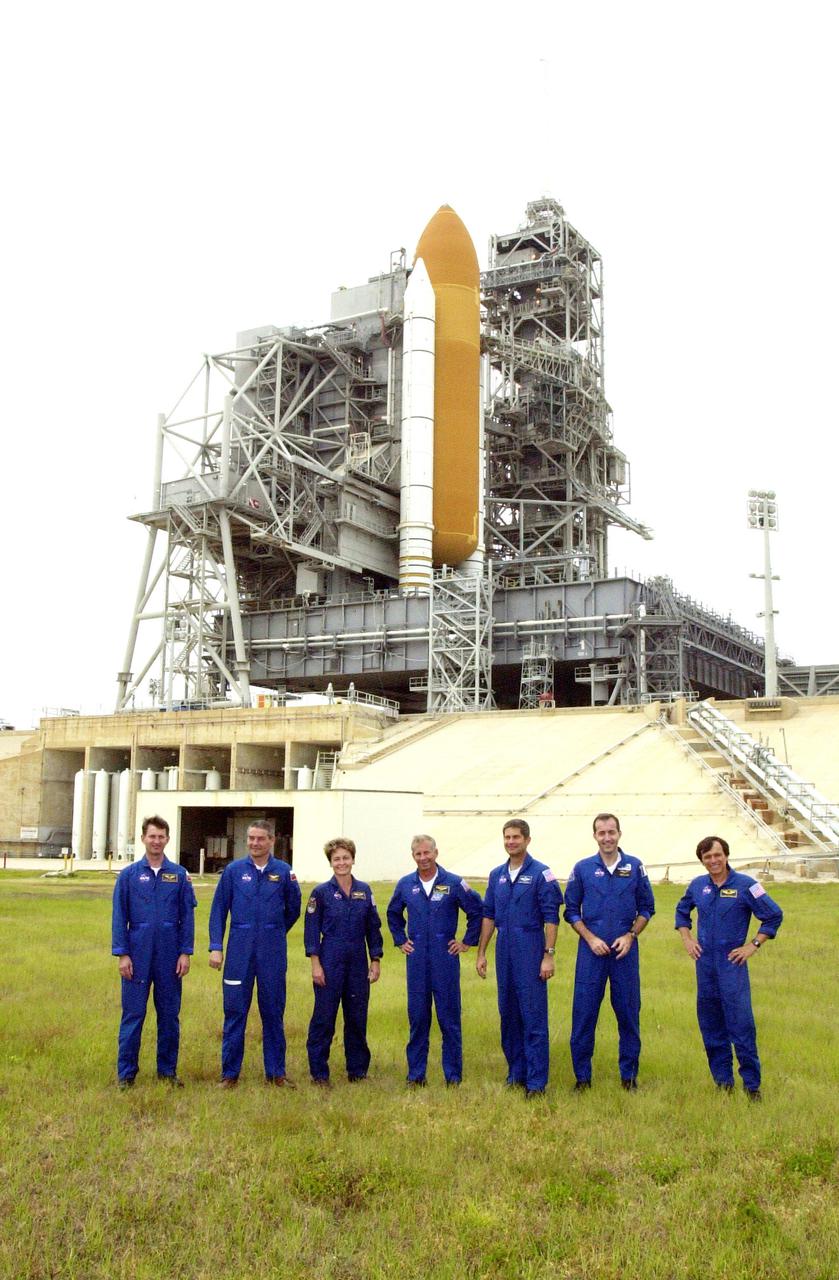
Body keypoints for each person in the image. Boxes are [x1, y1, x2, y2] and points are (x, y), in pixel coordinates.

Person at [675, 835, 783, 1099]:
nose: (713, 861)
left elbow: (773, 915)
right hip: (705, 967)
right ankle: (723, 1082)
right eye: (707, 857)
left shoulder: (747, 885)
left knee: (741, 1025)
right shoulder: (698, 885)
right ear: (702, 860)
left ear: (726, 855)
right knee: (711, 1025)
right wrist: (688, 939)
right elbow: (681, 912)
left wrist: (753, 945)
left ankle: (751, 1085)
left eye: (717, 855)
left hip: (731, 966)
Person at [563, 813, 656, 1091]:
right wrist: (590, 938)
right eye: (601, 833)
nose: (607, 837)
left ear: (619, 833)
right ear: (594, 836)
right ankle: (582, 1078)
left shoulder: (635, 866)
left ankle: (628, 1076)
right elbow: (570, 911)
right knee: (584, 1015)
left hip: (623, 955)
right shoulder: (582, 868)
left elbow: (647, 909)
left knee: (628, 1014)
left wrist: (631, 936)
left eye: (611, 832)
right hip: (591, 954)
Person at [209, 819, 301, 1088]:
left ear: (272, 841)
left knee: (273, 1011)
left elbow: (293, 909)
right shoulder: (233, 872)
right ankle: (229, 1074)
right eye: (250, 838)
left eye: (260, 839)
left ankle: (276, 1073)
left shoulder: (284, 872)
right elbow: (218, 911)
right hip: (239, 951)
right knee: (235, 1011)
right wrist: (216, 946)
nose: (254, 843)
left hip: (272, 953)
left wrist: (274, 930)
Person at [387, 834, 483, 1086]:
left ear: (436, 853)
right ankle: (416, 1075)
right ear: (413, 856)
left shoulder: (453, 883)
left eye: (427, 853)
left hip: (445, 958)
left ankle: (453, 1076)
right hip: (417, 959)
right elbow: (393, 913)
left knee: (449, 1018)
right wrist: (400, 939)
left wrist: (466, 942)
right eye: (418, 854)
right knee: (418, 1018)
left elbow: (476, 910)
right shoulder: (406, 884)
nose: (423, 858)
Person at [476, 819, 563, 1097]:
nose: (511, 842)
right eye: (507, 837)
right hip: (505, 948)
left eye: (516, 837)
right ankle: (516, 1073)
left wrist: (548, 956)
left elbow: (551, 918)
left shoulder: (541, 874)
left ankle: (536, 1083)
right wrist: (481, 952)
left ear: (527, 840)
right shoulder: (497, 875)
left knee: (533, 1015)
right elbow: (489, 915)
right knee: (509, 1013)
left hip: (530, 945)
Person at [111, 815, 196, 1089]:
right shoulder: (129, 876)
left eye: (161, 836)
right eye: (152, 836)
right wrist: (122, 953)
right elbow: (118, 917)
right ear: (143, 839)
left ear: (167, 839)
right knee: (133, 1015)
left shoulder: (180, 875)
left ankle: (167, 1072)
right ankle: (126, 1075)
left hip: (170, 957)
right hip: (137, 955)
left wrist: (185, 952)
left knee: (169, 1015)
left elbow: (187, 917)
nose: (156, 841)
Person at [304, 837, 383, 1085]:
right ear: (331, 862)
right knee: (324, 1017)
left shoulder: (364, 891)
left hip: (358, 958)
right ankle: (319, 1073)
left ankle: (357, 1071)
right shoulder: (321, 893)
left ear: (353, 859)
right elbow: (311, 930)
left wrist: (376, 959)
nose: (341, 863)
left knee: (357, 1017)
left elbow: (373, 927)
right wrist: (316, 964)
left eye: (345, 858)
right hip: (330, 956)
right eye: (336, 859)